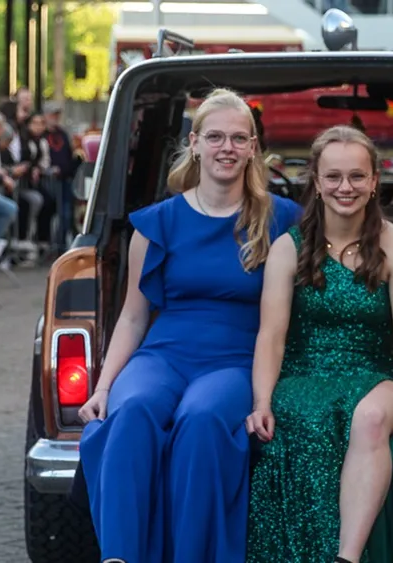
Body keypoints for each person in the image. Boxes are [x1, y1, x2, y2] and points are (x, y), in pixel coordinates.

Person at [76, 88, 300, 563]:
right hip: (164, 355)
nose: (227, 148)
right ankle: (120, 557)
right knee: (131, 409)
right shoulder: (156, 223)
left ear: (253, 147)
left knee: (201, 419)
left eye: (238, 138)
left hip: (236, 360)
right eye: (215, 137)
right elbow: (133, 316)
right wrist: (103, 386)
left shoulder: (281, 219)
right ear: (194, 143)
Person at [245, 125, 393, 563]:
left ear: (374, 181)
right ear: (316, 180)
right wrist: (262, 402)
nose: (345, 187)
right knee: (302, 418)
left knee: (369, 418)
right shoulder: (289, 248)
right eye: (333, 177)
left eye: (356, 176)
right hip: (304, 372)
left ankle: (345, 557)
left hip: (375, 374)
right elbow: (271, 336)